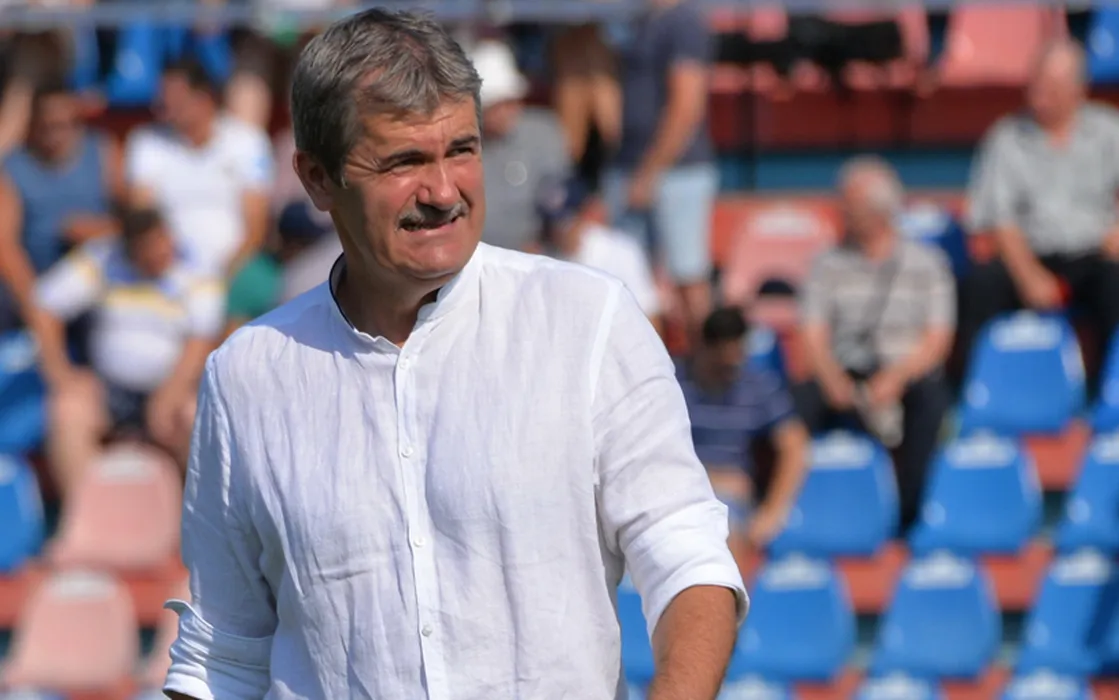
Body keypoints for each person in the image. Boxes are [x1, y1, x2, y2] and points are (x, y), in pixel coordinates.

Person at [164, 10, 747, 700]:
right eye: (404, 161)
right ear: (317, 178)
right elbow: (223, 655)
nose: (444, 192)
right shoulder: (245, 377)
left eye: (462, 150)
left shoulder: (588, 322)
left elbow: (688, 559)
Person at [795, 156, 954, 532]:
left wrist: (896, 378)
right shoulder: (826, 264)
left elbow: (937, 340)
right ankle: (796, 511)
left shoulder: (928, 264)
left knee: (931, 403)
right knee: (796, 402)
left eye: (848, 205)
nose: (841, 212)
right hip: (845, 369)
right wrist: (832, 379)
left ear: (877, 212)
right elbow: (812, 334)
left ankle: (909, 516)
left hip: (906, 371)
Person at [27, 207, 224, 495]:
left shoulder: (197, 267)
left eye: (161, 244)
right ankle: (84, 512)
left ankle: (199, 513)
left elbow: (201, 340)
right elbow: (43, 307)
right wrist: (61, 374)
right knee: (67, 410)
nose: (159, 255)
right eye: (147, 251)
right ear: (129, 248)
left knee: (194, 418)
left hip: (173, 387)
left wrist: (170, 393)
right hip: (109, 390)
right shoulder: (102, 259)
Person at [962, 39, 1119, 391]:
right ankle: (972, 390)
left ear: (1078, 90)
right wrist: (1029, 275)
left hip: (1092, 257)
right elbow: (999, 218)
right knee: (980, 285)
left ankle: (1108, 391)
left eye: (1051, 89)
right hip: (1030, 255)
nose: (1039, 97)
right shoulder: (1006, 137)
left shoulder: (1110, 131)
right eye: (1035, 86)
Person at [604, 0, 717, 339]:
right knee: (629, 280)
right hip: (631, 166)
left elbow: (687, 106)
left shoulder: (684, 22)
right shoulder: (637, 21)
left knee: (688, 277)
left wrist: (650, 172)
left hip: (676, 171)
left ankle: (705, 367)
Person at [124, 57, 273, 278]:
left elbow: (256, 228)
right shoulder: (146, 142)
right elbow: (143, 218)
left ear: (204, 98)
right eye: (162, 102)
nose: (164, 110)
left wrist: (224, 276)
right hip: (165, 271)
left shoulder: (248, 142)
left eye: (175, 102)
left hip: (235, 272)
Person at [677, 307, 809, 549]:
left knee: (725, 532)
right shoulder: (673, 384)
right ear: (703, 348)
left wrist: (772, 512)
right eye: (720, 364)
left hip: (730, 505)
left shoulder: (758, 386)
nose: (729, 369)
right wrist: (711, 479)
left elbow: (795, 445)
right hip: (677, 491)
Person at [0, 80, 122, 332]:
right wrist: (36, 309)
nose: (55, 135)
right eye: (47, 127)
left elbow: (131, 220)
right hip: (37, 286)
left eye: (64, 125)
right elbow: (6, 247)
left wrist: (97, 230)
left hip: (96, 280)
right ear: (33, 125)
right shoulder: (12, 168)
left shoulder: (103, 151)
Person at [470, 39, 572, 252]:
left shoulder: (543, 129)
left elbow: (561, 188)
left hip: (549, 245)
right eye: (496, 105)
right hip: (490, 253)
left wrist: (559, 228)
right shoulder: (467, 149)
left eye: (510, 101)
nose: (506, 111)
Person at [536, 175, 662, 331]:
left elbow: (648, 314)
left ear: (583, 214)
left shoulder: (620, 250)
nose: (560, 231)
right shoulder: (543, 259)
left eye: (567, 222)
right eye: (553, 224)